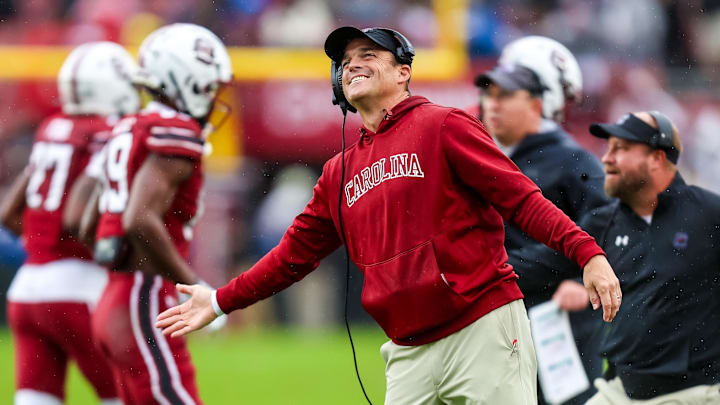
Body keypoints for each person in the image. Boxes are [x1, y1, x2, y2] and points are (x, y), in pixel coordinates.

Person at [156, 26, 622, 404]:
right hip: (406, 349)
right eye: (346, 60)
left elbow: (521, 199)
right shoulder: (338, 171)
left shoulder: (444, 124)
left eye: (369, 55)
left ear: (403, 72)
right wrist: (219, 301)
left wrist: (588, 255)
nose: (353, 63)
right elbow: (292, 255)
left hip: (481, 329)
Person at [509, 111, 720, 404]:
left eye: (621, 149)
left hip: (696, 394)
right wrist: (456, 268)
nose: (607, 158)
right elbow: (536, 265)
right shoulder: (604, 223)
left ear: (657, 159)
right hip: (620, 391)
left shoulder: (709, 215)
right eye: (608, 148)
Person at [88, 23, 232, 405]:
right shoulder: (173, 129)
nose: (214, 95)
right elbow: (139, 218)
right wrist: (197, 288)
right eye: (209, 84)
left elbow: (89, 219)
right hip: (144, 297)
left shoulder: (128, 125)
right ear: (186, 78)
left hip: (117, 294)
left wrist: (114, 250)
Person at [0, 41, 140, 405]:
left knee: (36, 398)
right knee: (125, 395)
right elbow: (78, 219)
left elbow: (8, 214)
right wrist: (116, 256)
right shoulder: (108, 133)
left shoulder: (54, 126)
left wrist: (43, 243)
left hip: (27, 289)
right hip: (78, 289)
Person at [475, 36, 608, 404]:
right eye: (491, 92)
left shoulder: (574, 162)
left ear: (537, 100)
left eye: (506, 93)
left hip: (557, 322)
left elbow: (603, 232)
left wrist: (503, 268)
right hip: (498, 320)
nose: (491, 104)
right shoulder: (486, 156)